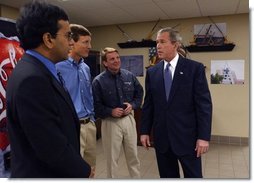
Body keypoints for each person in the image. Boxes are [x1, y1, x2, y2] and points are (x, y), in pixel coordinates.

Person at [6, 1, 93, 178]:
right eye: (68, 36)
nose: (71, 42)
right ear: (48, 39)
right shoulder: (32, 79)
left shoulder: (38, 70)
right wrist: (83, 170)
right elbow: (49, 144)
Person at [140, 27, 212, 178]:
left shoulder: (194, 69)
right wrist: (145, 131)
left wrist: (203, 137)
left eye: (162, 42)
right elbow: (149, 105)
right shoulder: (153, 72)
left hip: (188, 140)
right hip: (162, 140)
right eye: (157, 42)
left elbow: (204, 105)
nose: (158, 46)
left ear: (175, 45)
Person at [92, 47, 143, 178]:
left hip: (128, 120)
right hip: (110, 122)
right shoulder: (98, 81)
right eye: (112, 59)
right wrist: (110, 111)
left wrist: (132, 105)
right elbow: (96, 106)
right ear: (105, 63)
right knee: (112, 160)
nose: (116, 61)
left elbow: (139, 93)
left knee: (134, 157)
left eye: (117, 58)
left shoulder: (129, 76)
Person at [56, 24, 96, 173]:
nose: (89, 46)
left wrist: (92, 118)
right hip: (72, 127)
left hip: (89, 124)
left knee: (91, 169)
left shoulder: (85, 67)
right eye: (85, 42)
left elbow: (88, 94)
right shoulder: (58, 67)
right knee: (74, 171)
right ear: (72, 42)